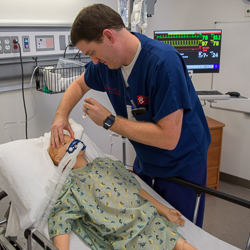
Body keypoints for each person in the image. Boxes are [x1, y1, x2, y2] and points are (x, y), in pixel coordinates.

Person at [50, 4, 211, 228]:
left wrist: (110, 121)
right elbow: (79, 84)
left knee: (181, 233)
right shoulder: (106, 65)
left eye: (92, 53)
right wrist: (60, 116)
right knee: (143, 224)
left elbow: (168, 138)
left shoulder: (163, 63)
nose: (93, 61)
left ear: (108, 36)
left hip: (181, 165)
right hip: (146, 162)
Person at [48, 134, 197, 250]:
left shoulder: (105, 163)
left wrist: (166, 211)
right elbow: (60, 220)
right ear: (57, 158)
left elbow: (134, 189)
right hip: (127, 234)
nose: (74, 141)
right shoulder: (72, 186)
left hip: (147, 217)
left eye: (72, 138)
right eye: (65, 143)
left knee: (183, 245)